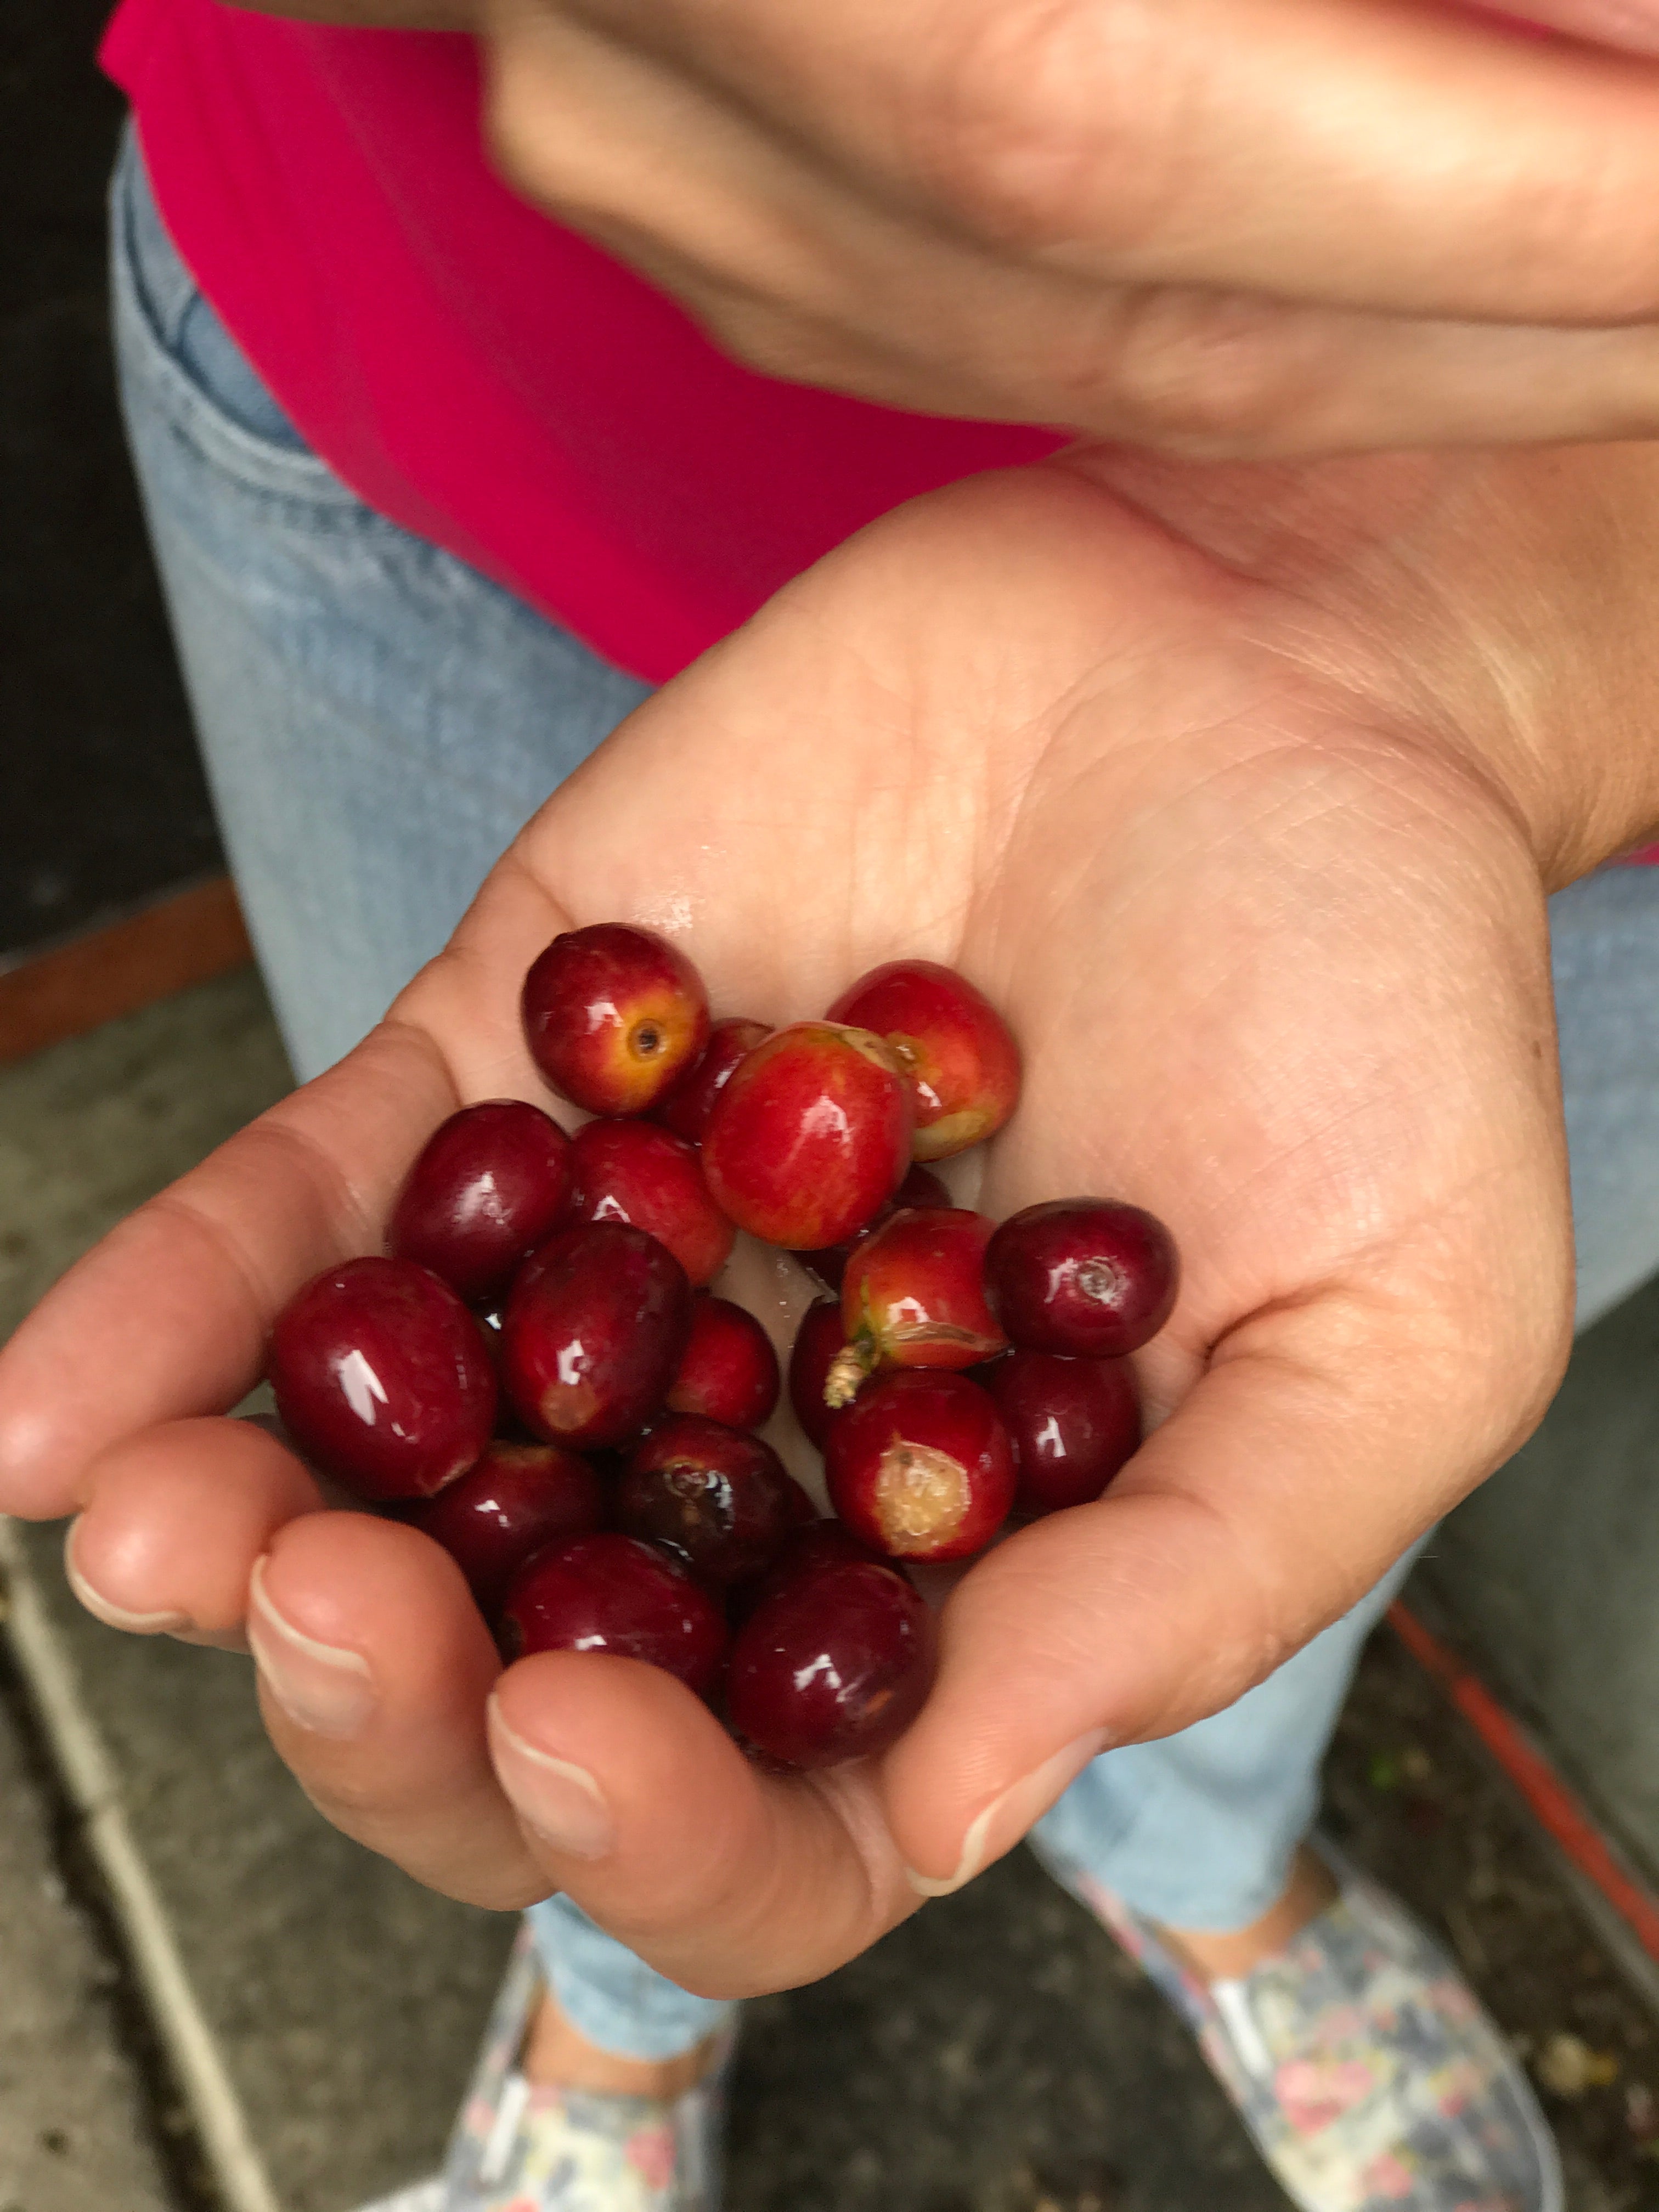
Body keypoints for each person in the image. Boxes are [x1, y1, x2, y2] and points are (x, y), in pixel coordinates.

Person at [3, 1, 1659, 2207]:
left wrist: (1502, 616)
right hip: (447, 381)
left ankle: (1203, 1856)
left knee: (1258, 1503)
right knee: (585, 1744)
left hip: (1558, 713)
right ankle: (615, 2003)